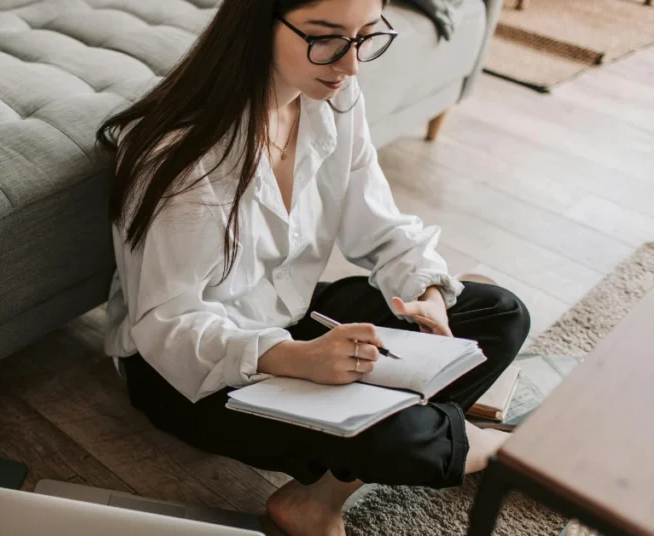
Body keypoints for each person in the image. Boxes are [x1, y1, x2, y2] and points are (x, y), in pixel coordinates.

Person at [95, 0, 531, 534]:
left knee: (500, 315)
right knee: (396, 438)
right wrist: (298, 360)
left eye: (365, 37)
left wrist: (425, 294)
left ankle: (322, 493)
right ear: (258, 22)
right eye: (325, 38)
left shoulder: (336, 99)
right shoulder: (181, 153)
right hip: (192, 371)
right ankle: (495, 446)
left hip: (291, 315)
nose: (350, 66)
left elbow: (380, 224)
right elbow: (170, 326)